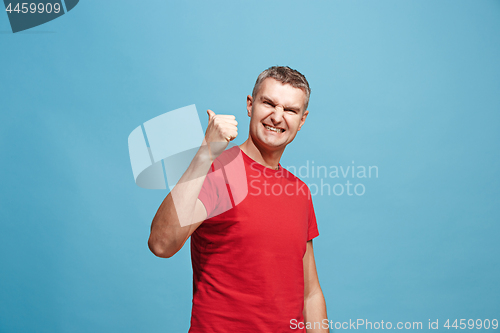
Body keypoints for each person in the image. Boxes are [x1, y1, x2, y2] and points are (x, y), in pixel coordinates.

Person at [148, 66, 328, 332]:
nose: (277, 117)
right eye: (268, 103)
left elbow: (310, 293)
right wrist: (204, 155)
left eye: (290, 110)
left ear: (302, 120)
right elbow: (161, 244)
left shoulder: (299, 191)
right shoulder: (219, 170)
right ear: (250, 104)